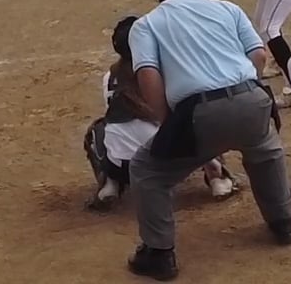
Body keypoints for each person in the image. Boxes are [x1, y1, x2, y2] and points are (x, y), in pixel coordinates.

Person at [123, 0, 291, 280]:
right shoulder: (228, 8)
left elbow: (148, 76)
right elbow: (259, 55)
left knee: (147, 170)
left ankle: (159, 253)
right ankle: (283, 222)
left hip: (197, 112)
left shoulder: (146, 24)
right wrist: (245, 96)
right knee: (264, 151)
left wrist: (169, 124)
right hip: (252, 98)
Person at [83, 14, 236, 211]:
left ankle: (110, 183)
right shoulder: (167, 69)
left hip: (126, 169)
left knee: (99, 130)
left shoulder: (110, 77)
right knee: (199, 113)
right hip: (172, 163)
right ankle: (216, 176)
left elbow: (113, 116)